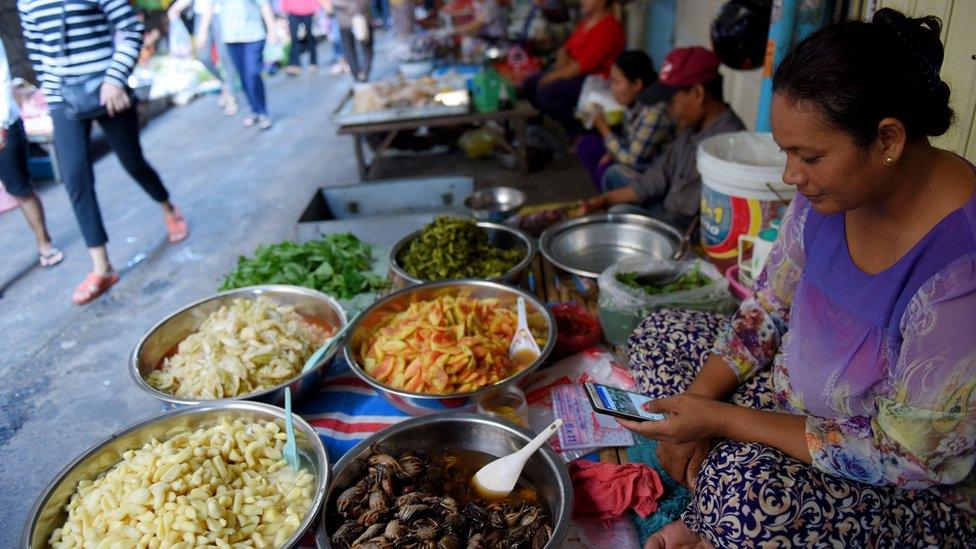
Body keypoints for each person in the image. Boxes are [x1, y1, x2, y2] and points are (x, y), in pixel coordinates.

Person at [618, 9, 976, 547]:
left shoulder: (959, 269)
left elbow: (906, 457)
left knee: (746, 488)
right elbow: (764, 313)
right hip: (791, 404)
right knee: (660, 333)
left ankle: (715, 512)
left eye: (807, 156)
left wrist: (719, 421)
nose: (790, 175)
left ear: (887, 140)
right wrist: (698, 406)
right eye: (786, 151)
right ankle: (714, 499)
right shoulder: (827, 196)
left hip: (897, 484)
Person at [19, 0, 189, 304]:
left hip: (110, 91)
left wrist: (115, 79)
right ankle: (102, 267)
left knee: (133, 162)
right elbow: (38, 51)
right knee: (74, 176)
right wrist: (51, 95)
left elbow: (131, 28)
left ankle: (167, 206)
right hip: (64, 100)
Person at [581, 46, 744, 230]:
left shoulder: (730, 142)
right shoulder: (691, 127)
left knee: (619, 214)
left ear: (698, 94)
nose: (668, 110)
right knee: (613, 186)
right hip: (669, 209)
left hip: (689, 231)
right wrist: (604, 199)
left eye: (670, 102)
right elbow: (658, 175)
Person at [0, 37, 63, 269]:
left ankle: (44, 243)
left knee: (20, 188)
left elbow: (2, 78)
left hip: (3, 127)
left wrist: (2, 124)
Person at [521, 0, 624, 134]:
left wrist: (553, 75)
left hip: (594, 80)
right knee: (529, 83)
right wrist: (564, 59)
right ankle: (537, 127)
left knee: (546, 93)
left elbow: (584, 66)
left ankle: (576, 132)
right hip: (572, 72)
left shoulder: (609, 27)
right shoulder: (586, 22)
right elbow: (566, 49)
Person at [575, 50, 674, 188]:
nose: (612, 87)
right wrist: (611, 153)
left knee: (608, 171)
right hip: (637, 159)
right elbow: (628, 142)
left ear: (637, 84)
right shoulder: (635, 101)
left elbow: (631, 160)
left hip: (652, 174)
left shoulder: (655, 112)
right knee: (586, 145)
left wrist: (602, 127)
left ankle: (614, 201)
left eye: (617, 82)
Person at [196, 0, 278, 129]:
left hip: (253, 36)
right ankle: (255, 110)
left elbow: (264, 5)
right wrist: (203, 32)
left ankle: (262, 112)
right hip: (231, 38)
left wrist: (272, 30)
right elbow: (209, 8)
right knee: (244, 75)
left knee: (253, 72)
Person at [168, 0, 241, 115]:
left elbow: (210, 4)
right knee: (203, 56)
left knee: (225, 56)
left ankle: (231, 97)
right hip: (200, 13)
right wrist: (175, 8)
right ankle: (224, 83)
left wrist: (203, 30)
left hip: (218, 12)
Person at [333, 0, 373, 82]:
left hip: (353, 17)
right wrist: (356, 8)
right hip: (353, 17)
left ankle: (362, 73)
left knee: (362, 46)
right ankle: (359, 74)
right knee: (350, 48)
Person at [281, 0, 321, 75]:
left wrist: (316, 7)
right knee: (294, 38)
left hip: (307, 9)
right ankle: (295, 64)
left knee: (310, 36)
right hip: (292, 10)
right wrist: (283, 10)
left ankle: (313, 63)